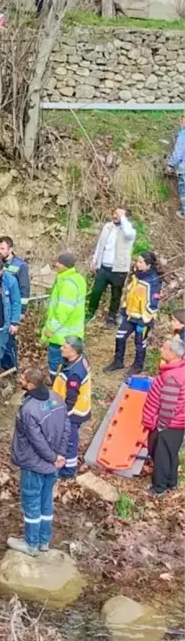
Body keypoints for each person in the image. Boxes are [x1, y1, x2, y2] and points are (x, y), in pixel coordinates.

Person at [8, 367, 70, 557]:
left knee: (31, 502)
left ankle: (31, 544)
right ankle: (44, 541)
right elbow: (66, 427)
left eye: (23, 378)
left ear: (31, 385)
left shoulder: (28, 409)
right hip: (53, 464)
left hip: (34, 464)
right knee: (46, 501)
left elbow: (37, 441)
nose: (20, 379)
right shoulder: (57, 399)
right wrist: (59, 455)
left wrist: (52, 457)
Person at [104, 251, 162, 375]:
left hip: (143, 319)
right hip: (130, 316)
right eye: (137, 261)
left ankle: (138, 366)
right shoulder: (135, 276)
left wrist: (145, 320)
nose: (138, 264)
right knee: (120, 336)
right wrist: (124, 310)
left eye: (141, 262)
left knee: (140, 342)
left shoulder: (153, 281)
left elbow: (153, 303)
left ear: (149, 265)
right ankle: (118, 361)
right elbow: (129, 294)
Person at [142, 338, 185, 496]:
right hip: (177, 425)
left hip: (168, 425)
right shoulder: (179, 368)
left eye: (164, 348)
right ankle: (171, 482)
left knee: (161, 457)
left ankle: (159, 489)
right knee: (170, 454)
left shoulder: (172, 377)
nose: (160, 349)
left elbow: (168, 407)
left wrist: (159, 426)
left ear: (172, 353)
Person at [87, 208, 137, 327]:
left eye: (118, 214)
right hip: (103, 267)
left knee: (116, 295)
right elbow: (100, 244)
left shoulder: (129, 230)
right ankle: (90, 313)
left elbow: (129, 234)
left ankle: (111, 317)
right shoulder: (107, 227)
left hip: (119, 269)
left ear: (125, 217)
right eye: (114, 213)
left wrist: (123, 218)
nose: (115, 216)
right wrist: (95, 260)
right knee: (96, 291)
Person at [40, 253, 86, 379]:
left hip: (60, 336)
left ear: (63, 265)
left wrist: (50, 328)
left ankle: (57, 386)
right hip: (74, 334)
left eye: (58, 263)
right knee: (70, 363)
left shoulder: (67, 284)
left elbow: (63, 312)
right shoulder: (77, 278)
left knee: (55, 364)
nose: (56, 265)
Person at [51, 336, 91, 478]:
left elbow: (70, 399)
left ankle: (68, 471)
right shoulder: (78, 361)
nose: (61, 348)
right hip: (70, 408)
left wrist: (62, 415)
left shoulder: (74, 373)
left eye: (65, 346)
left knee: (69, 441)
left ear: (73, 351)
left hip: (73, 413)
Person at [166, 114, 185, 219]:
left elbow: (178, 152)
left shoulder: (183, 134)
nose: (181, 123)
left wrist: (170, 165)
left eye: (183, 121)